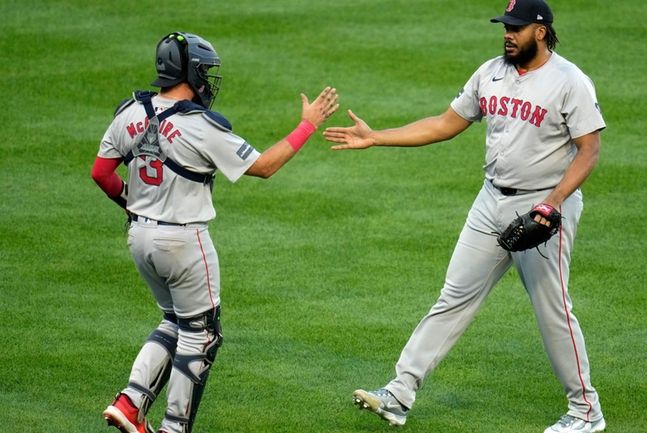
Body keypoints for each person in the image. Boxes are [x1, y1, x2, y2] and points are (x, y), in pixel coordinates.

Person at [323, 0, 605, 432]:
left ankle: (586, 412)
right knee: (453, 296)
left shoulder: (569, 82)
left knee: (553, 311)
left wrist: (553, 203)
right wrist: (377, 137)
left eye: (516, 27)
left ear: (541, 31)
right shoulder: (490, 71)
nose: (507, 34)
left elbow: (590, 150)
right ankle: (399, 394)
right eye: (504, 27)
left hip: (543, 207)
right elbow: (444, 123)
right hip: (489, 201)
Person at [91, 32, 338, 433]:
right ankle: (173, 428)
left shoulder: (129, 113)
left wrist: (134, 206)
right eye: (204, 72)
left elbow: (101, 173)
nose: (208, 80)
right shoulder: (200, 126)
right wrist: (306, 126)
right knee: (202, 335)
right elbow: (264, 166)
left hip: (139, 239)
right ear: (189, 72)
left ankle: (131, 401)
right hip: (184, 244)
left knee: (174, 321)